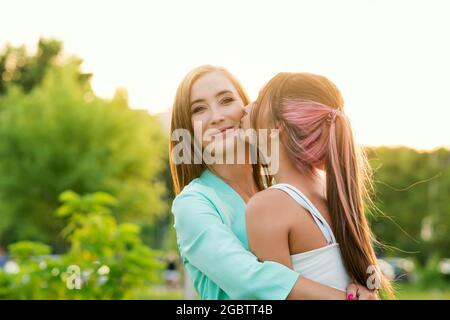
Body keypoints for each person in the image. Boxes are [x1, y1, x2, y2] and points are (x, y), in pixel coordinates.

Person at [170, 65, 376, 299]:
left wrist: (359, 283)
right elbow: (249, 279)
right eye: (199, 109)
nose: (217, 117)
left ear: (247, 108)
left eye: (226, 100)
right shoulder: (193, 203)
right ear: (187, 128)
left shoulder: (281, 194)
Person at [242, 72, 393, 298]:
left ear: (277, 125)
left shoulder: (269, 206)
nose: (248, 107)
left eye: (260, 99)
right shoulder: (328, 191)